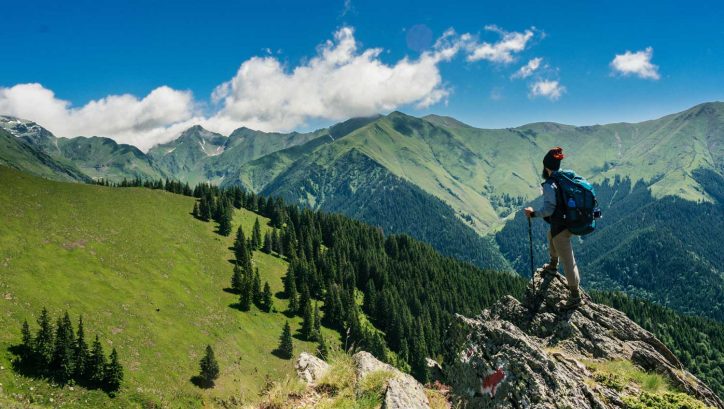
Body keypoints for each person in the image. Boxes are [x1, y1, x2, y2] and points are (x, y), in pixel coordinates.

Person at [524, 147, 583, 309]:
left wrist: (533, 213)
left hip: (561, 227)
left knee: (569, 261)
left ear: (546, 167)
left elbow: (549, 209)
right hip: (569, 221)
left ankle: (575, 296)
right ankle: (553, 264)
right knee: (551, 235)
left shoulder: (551, 184)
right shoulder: (565, 177)